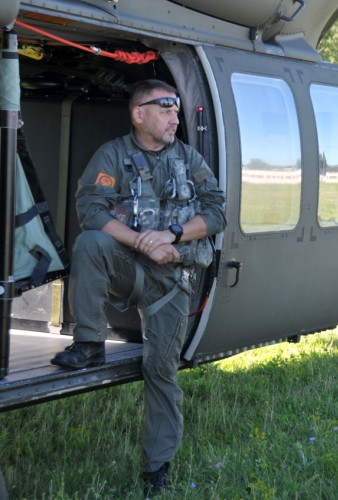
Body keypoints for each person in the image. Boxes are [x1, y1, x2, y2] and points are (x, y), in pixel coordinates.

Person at [50, 79, 226, 495]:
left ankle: (156, 467)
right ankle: (89, 341)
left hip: (172, 279)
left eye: (177, 110)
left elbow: (216, 211)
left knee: (160, 369)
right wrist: (141, 241)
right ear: (138, 114)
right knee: (90, 243)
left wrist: (173, 235)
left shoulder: (188, 157)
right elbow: (90, 210)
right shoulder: (112, 155)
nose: (175, 118)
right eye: (165, 109)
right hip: (130, 268)